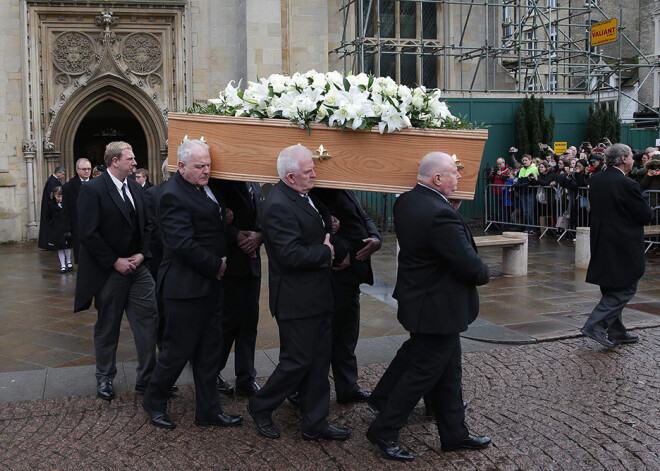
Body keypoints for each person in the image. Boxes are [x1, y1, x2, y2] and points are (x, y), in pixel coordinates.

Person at [365, 152, 491, 462]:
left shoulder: (407, 201)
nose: (459, 178)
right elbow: (467, 264)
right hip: (437, 307)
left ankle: (454, 434)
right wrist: (484, 272)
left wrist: (450, 210)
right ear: (437, 179)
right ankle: (383, 429)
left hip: (425, 303)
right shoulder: (439, 213)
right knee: (422, 374)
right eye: (454, 173)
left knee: (450, 373)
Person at [247, 144, 349, 442]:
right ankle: (261, 404)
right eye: (308, 172)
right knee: (297, 362)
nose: (314, 174)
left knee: (319, 361)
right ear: (291, 177)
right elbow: (288, 255)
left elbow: (315, 229)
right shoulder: (277, 204)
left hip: (318, 296)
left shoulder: (303, 195)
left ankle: (315, 422)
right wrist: (325, 251)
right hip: (296, 300)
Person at [142, 139, 242, 430]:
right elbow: (180, 243)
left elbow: (211, 224)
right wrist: (217, 265)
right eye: (200, 166)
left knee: (210, 352)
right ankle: (154, 400)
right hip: (184, 288)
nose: (206, 171)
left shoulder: (204, 189)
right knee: (176, 351)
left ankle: (209, 411)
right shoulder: (172, 194)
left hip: (209, 287)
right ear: (181, 166)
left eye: (208, 165)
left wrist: (235, 234)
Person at [74, 142, 158, 402]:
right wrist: (115, 261)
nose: (135, 163)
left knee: (148, 323)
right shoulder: (93, 190)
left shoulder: (135, 188)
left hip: (139, 269)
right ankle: (105, 378)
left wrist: (143, 254)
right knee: (108, 327)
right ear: (114, 162)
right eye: (130, 159)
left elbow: (149, 225)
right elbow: (88, 233)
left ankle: (147, 378)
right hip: (109, 272)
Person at [312, 188, 381, 404]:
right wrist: (343, 252)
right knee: (326, 337)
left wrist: (375, 238)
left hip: (352, 276)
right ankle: (309, 392)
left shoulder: (344, 184)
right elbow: (317, 228)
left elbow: (363, 216)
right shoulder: (320, 188)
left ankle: (348, 387)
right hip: (336, 273)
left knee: (347, 336)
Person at [580, 144, 653, 348]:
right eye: (630, 157)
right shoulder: (627, 184)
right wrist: (645, 202)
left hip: (602, 239)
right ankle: (595, 324)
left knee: (611, 285)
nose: (633, 160)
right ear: (622, 159)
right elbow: (645, 215)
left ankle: (617, 332)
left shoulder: (597, 179)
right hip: (623, 242)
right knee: (626, 286)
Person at [210, 179, 264, 397]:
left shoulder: (256, 184)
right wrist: (236, 236)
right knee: (227, 324)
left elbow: (262, 217)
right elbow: (209, 218)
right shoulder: (219, 181)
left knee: (249, 325)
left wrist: (260, 236)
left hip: (252, 265)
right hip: (230, 263)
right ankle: (211, 372)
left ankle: (246, 378)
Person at [62, 158, 92, 264]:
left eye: (89, 169)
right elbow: (65, 210)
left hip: (94, 225)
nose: (87, 171)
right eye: (84, 169)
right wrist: (67, 229)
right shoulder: (68, 187)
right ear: (77, 170)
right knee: (81, 257)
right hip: (77, 226)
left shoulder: (97, 184)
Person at [45, 186, 72, 273]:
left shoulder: (67, 204)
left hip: (66, 228)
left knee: (67, 247)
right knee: (60, 248)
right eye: (58, 196)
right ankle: (62, 265)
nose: (60, 198)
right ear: (54, 196)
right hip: (57, 229)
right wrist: (52, 225)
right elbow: (48, 217)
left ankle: (69, 262)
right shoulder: (51, 205)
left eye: (61, 196)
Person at [38, 165, 66, 250]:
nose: (63, 176)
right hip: (51, 209)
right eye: (62, 174)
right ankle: (50, 243)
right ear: (58, 173)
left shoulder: (54, 180)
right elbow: (52, 195)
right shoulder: (52, 181)